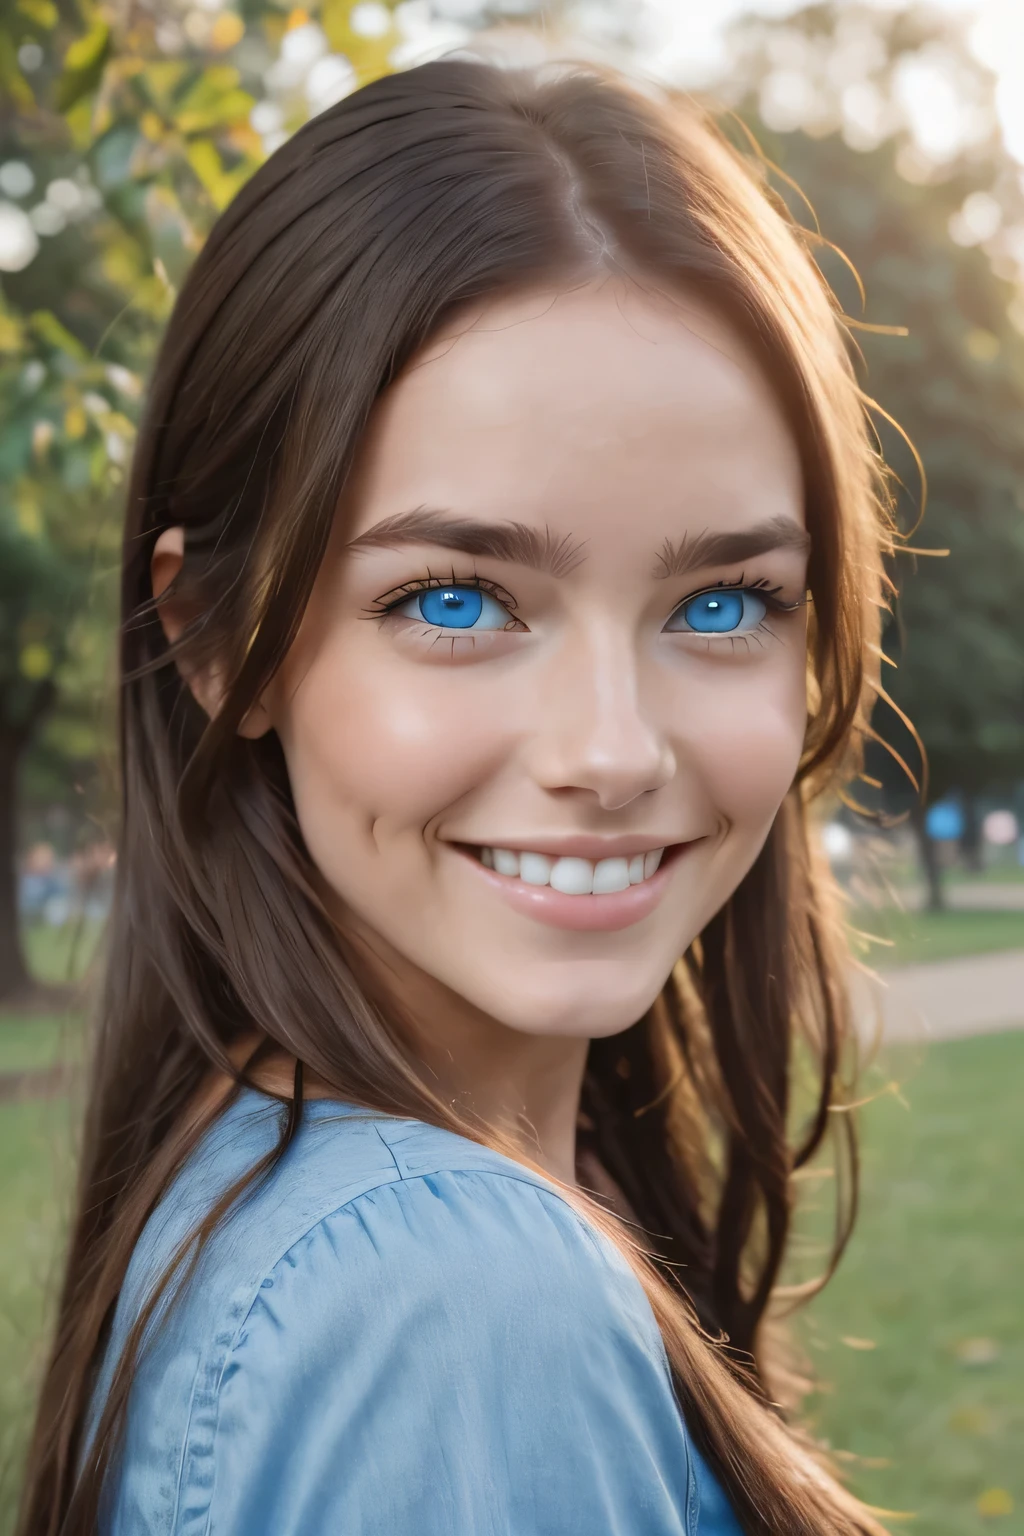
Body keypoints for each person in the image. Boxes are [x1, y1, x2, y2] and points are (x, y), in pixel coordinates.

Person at [19, 57, 896, 1536]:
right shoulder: (448, 1305)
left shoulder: (286, 1197)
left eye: (724, 602)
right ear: (217, 639)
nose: (611, 751)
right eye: (455, 600)